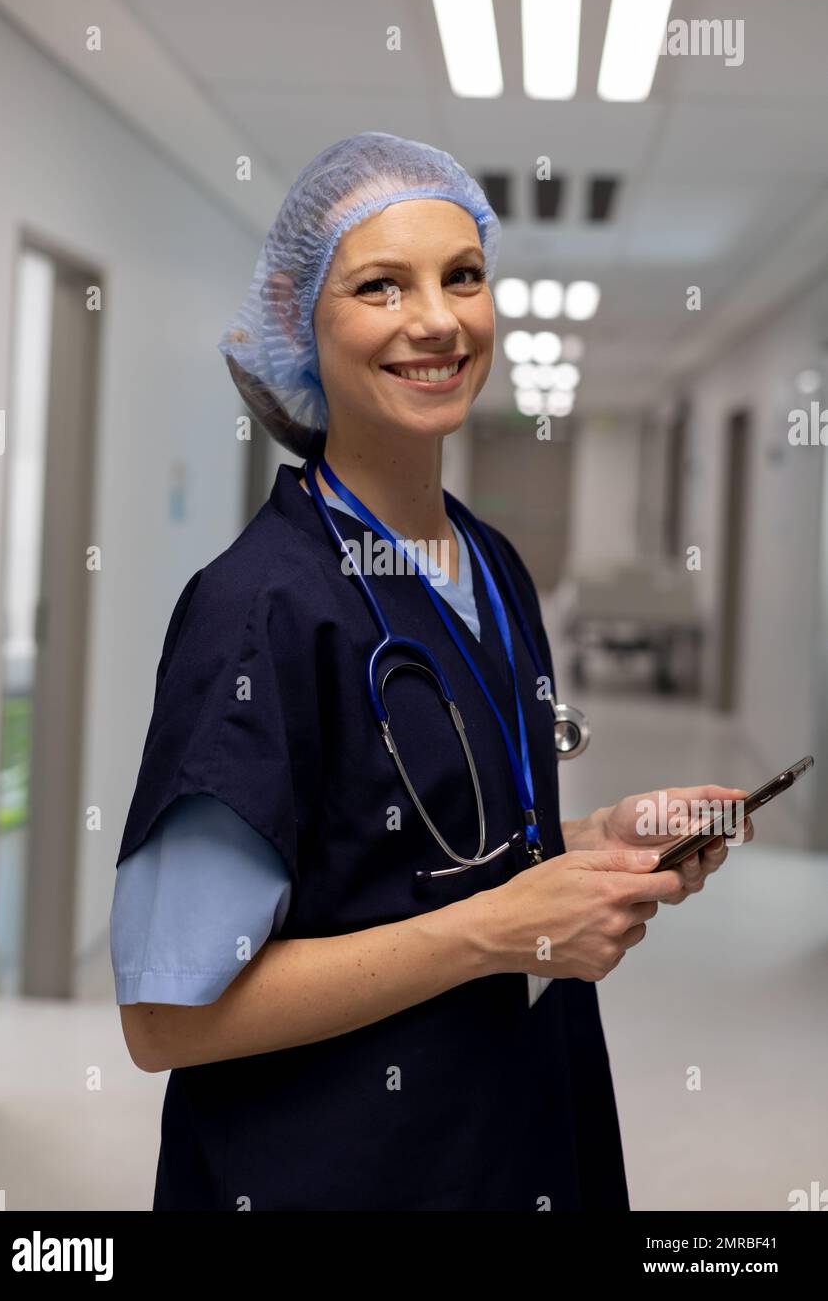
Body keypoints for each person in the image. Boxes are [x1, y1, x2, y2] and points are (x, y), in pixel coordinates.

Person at [111, 132, 752, 1212]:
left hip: (512, 1128)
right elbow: (166, 1017)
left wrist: (591, 847)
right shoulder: (258, 610)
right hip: (334, 1171)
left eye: (462, 275)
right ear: (300, 328)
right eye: (379, 285)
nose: (439, 318)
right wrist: (495, 931)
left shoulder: (489, 564)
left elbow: (421, 847)